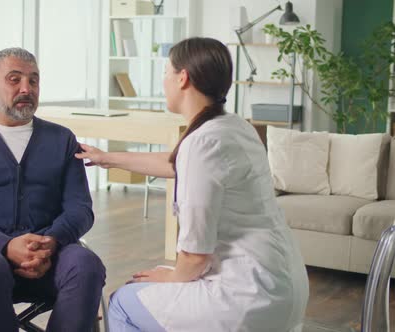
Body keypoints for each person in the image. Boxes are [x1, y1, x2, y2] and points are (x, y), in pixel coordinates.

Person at [75, 37, 309, 332]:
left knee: (122, 302)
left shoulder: (202, 143)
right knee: (152, 289)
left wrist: (171, 277)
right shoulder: (236, 127)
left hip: (246, 297)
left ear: (182, 77)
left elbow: (196, 257)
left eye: (166, 73)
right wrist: (107, 158)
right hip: (285, 285)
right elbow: (177, 163)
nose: (164, 81)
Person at [0, 47, 106, 332]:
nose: (26, 88)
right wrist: (6, 245)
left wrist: (51, 241)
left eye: (34, 80)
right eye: (14, 79)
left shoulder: (62, 139)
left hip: (51, 252)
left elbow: (80, 209)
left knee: (87, 265)